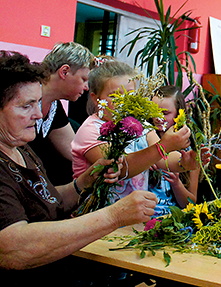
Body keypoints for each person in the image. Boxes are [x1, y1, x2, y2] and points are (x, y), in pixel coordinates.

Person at [0, 51, 157, 284]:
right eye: (26, 106)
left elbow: (49, 201)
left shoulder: (21, 150)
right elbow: (13, 248)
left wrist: (84, 182)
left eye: (38, 103)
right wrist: (114, 216)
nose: (37, 114)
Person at [71, 60, 199, 205]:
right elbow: (120, 168)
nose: (123, 101)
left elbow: (163, 159)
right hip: (96, 215)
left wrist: (183, 162)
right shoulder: (90, 130)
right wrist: (163, 147)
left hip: (133, 216)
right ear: (95, 98)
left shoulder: (139, 124)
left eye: (130, 94)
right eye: (114, 96)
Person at [28, 42, 95, 185]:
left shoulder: (54, 107)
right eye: (83, 79)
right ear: (64, 72)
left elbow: (75, 150)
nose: (86, 88)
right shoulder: (25, 97)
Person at [150, 85, 201, 216]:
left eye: (165, 113)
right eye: (153, 111)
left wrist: (176, 183)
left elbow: (190, 203)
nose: (158, 117)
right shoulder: (144, 140)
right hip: (141, 217)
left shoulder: (190, 151)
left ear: (179, 114)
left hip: (170, 218)